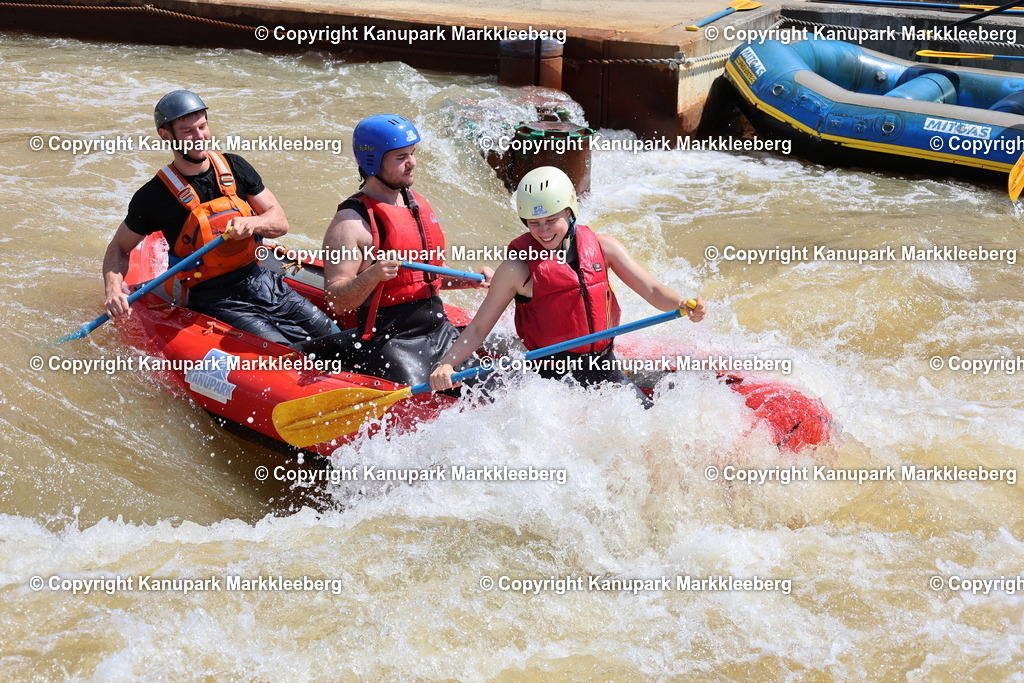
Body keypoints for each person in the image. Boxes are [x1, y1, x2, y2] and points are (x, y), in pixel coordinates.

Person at [429, 166, 706, 405]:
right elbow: (478, 327)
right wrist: (447, 363)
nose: (544, 230)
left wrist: (681, 304)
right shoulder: (516, 269)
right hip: (550, 377)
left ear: (570, 212)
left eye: (552, 220)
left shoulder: (603, 247)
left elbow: (651, 289)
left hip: (602, 364)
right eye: (534, 223)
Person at [102, 90, 337, 346]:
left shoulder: (235, 167)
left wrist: (252, 223)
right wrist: (113, 291)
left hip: (261, 279)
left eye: (202, 126)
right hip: (214, 297)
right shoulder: (153, 196)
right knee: (284, 352)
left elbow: (280, 222)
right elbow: (119, 247)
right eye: (188, 131)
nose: (199, 137)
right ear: (166, 135)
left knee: (331, 333)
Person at [319, 113, 491, 385]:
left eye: (412, 153)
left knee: (492, 387)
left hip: (440, 330)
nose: (412, 163)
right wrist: (373, 274)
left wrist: (471, 280)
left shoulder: (417, 204)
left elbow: (429, 275)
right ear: (373, 161)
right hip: (391, 342)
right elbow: (337, 300)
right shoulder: (350, 223)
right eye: (400, 157)